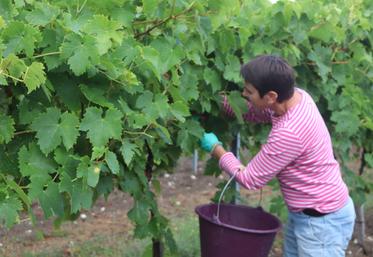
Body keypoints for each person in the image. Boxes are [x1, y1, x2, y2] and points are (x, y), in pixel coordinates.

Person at [200, 55, 356, 257]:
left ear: (271, 96)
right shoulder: (297, 98)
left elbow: (250, 178)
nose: (244, 95)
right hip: (309, 215)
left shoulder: (290, 132)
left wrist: (216, 148)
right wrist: (219, 104)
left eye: (249, 92)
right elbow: (261, 111)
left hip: (322, 223)